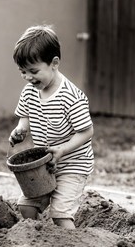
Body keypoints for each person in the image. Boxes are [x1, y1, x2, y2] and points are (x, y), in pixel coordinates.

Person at [9, 24, 94, 229]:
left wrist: (62, 149)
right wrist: (20, 130)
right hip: (44, 165)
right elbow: (24, 118)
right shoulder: (30, 90)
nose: (28, 78)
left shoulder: (71, 97)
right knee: (26, 207)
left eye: (33, 71)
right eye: (22, 72)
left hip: (72, 163)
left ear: (54, 63)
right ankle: (36, 244)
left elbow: (87, 131)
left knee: (60, 214)